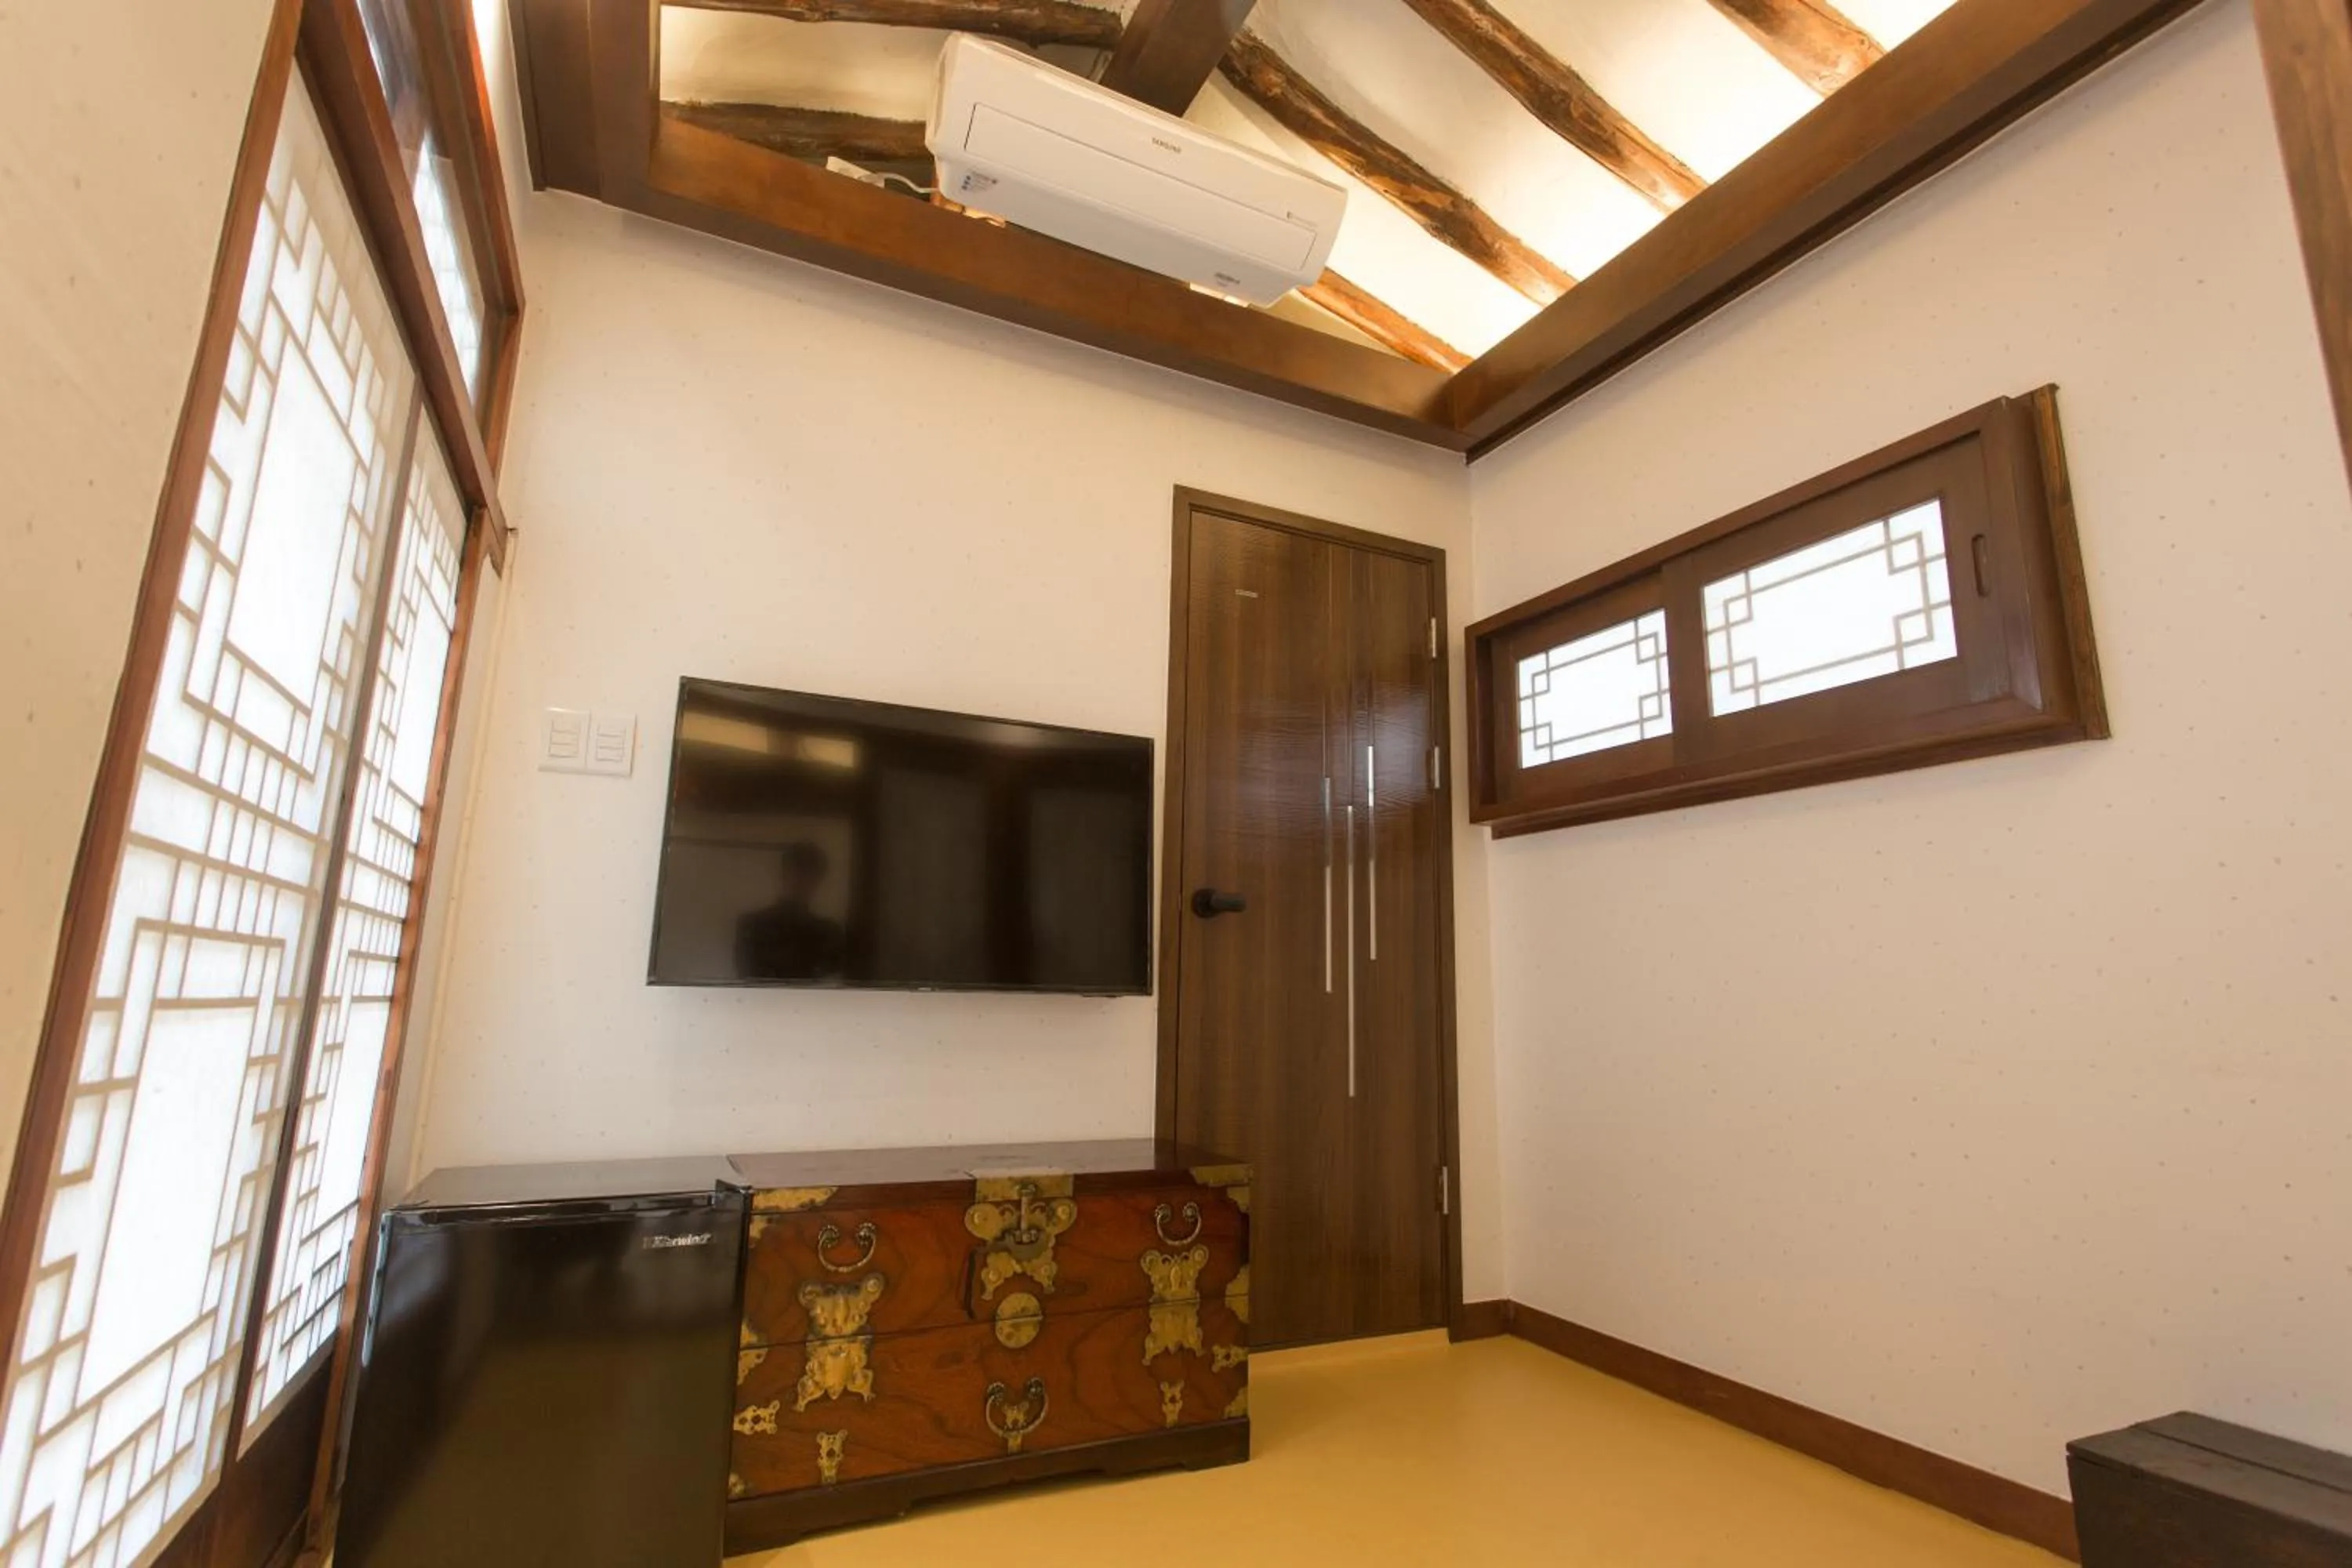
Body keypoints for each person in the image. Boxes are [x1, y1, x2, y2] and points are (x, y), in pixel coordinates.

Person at [734, 841, 847, 981]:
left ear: (818, 881)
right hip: (765, 1002)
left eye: (810, 876)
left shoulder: (830, 932)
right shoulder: (751, 926)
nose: (802, 882)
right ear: (783, 875)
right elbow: (749, 979)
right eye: (797, 872)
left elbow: (830, 983)